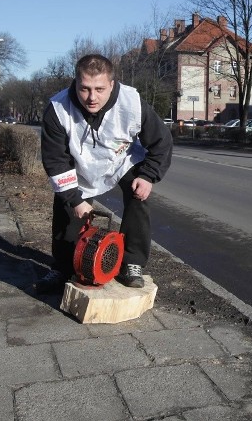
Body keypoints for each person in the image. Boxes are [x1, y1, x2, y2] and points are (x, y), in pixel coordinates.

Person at [36, 53, 173, 294]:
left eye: (99, 89)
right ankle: (63, 266)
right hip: (78, 167)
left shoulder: (132, 101)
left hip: (121, 161)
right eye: (85, 89)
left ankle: (131, 264)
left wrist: (148, 175)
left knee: (138, 196)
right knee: (66, 209)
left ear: (112, 84)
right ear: (76, 83)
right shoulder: (57, 109)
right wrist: (75, 200)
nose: (92, 97)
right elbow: (56, 161)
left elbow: (161, 141)